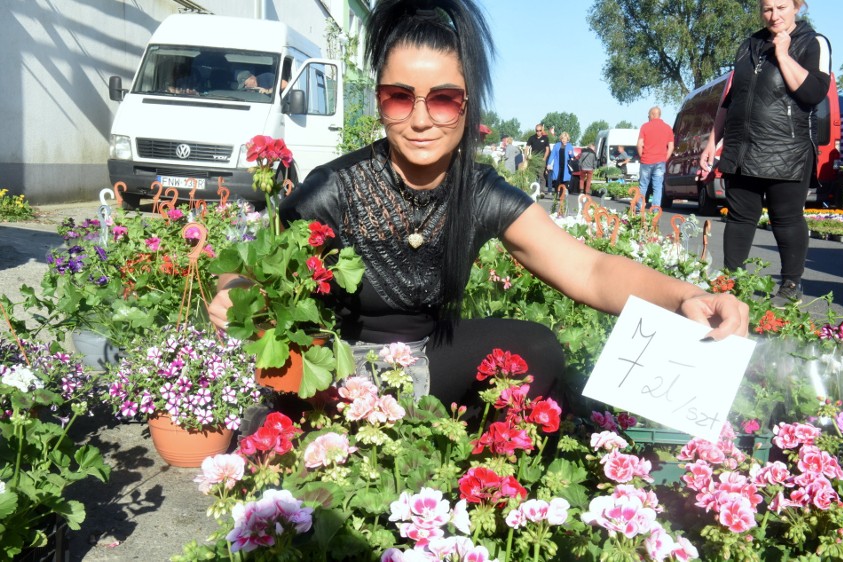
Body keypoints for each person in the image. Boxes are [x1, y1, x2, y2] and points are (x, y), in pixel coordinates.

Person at [210, 0, 748, 411]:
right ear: (379, 101)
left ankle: (472, 470)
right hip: (336, 369)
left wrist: (688, 298)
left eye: (443, 99)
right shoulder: (336, 186)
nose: (421, 119)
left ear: (468, 106)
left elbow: (588, 268)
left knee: (537, 347)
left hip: (432, 357)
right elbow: (251, 266)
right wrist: (232, 293)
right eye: (400, 97)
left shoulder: (481, 190)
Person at [699, 0, 831, 304]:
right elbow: (731, 97)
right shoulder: (749, 44)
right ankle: (732, 283)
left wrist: (783, 54)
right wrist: (713, 139)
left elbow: (813, 93)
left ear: (798, 7)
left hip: (787, 149)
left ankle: (790, 284)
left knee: (786, 219)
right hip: (741, 148)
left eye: (782, 7)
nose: (774, 16)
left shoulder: (814, 42)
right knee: (738, 218)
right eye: (767, 9)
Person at [637, 107, 674, 210]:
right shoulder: (667, 128)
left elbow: (639, 144)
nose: (648, 117)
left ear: (652, 114)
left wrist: (642, 156)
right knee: (657, 186)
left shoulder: (645, 126)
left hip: (646, 160)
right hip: (660, 161)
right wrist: (665, 159)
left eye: (649, 115)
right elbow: (671, 147)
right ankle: (655, 210)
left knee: (643, 185)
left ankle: (639, 208)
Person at [526, 123, 551, 192]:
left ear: (542, 130)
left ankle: (542, 191)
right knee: (533, 175)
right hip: (533, 159)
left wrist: (544, 158)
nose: (538, 132)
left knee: (541, 175)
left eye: (540, 130)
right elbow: (527, 148)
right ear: (535, 130)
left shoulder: (545, 138)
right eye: (537, 131)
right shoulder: (532, 138)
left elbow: (547, 150)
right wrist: (527, 156)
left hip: (541, 160)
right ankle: (533, 190)